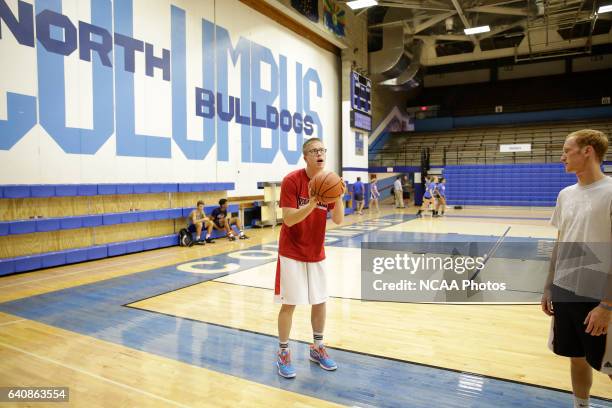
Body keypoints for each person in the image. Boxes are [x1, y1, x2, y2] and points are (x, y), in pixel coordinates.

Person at [541, 129, 611, 408]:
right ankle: (581, 405)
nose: (562, 157)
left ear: (588, 151)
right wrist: (548, 286)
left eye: (567, 150)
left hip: (600, 296)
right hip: (565, 291)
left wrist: (607, 305)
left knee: (608, 365)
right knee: (576, 357)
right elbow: (560, 243)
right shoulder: (565, 194)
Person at [275, 137, 345, 379]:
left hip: (316, 250)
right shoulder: (292, 181)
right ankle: (283, 351)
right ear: (305, 156)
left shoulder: (330, 182)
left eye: (322, 150)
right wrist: (314, 200)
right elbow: (289, 219)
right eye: (314, 151)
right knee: (290, 303)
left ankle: (317, 347)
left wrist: (338, 196)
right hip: (292, 250)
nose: (319, 154)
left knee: (320, 300)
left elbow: (338, 220)